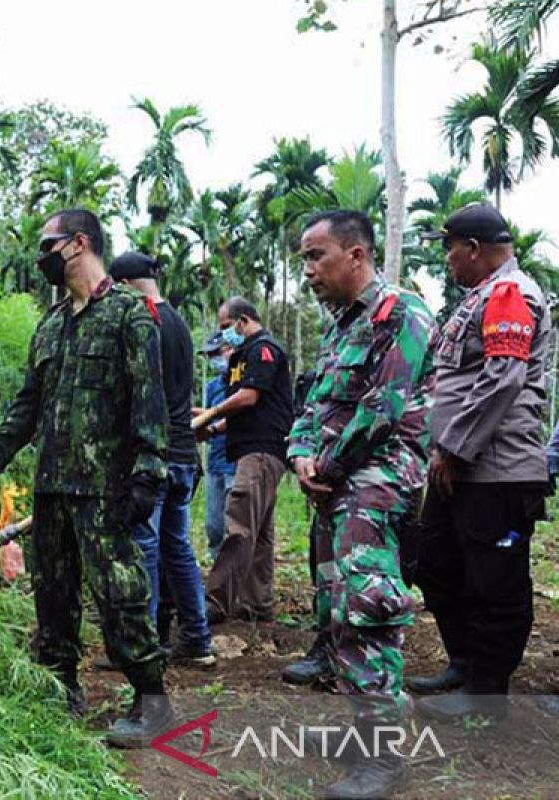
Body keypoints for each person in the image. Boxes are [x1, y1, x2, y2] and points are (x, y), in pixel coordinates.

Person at [0, 209, 174, 748]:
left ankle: (152, 700)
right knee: (52, 597)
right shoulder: (50, 324)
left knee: (119, 595)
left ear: (79, 244)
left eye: (47, 245)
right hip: (52, 487)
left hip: (105, 490)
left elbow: (151, 402)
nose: (42, 258)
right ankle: (61, 689)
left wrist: (149, 474)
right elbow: (27, 407)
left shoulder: (130, 315)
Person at [287, 210, 435, 798]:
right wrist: (302, 453)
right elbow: (314, 402)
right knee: (333, 603)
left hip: (374, 483)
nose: (308, 271)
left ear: (356, 255)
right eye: (303, 259)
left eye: (315, 256)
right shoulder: (340, 324)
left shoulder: (401, 312)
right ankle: (361, 729)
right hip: (335, 482)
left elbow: (385, 407)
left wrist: (328, 463)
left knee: (365, 606)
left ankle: (383, 755)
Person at [410, 204, 551, 723]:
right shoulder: (480, 298)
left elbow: (503, 379)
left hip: (495, 470)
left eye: (449, 248)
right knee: (435, 562)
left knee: (495, 580)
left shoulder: (511, 294)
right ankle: (465, 664)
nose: (446, 259)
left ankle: (488, 690)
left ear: (473, 249)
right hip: (461, 467)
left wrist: (453, 449)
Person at [109, 251, 215, 669]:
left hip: (156, 455)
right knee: (177, 546)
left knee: (146, 547)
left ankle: (144, 645)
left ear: (124, 285)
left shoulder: (143, 322)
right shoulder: (178, 322)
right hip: (185, 453)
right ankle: (199, 639)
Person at [196, 297, 293, 624]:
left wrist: (212, 413)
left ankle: (215, 602)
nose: (224, 336)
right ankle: (255, 602)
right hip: (250, 448)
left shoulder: (263, 349)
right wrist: (213, 427)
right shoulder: (241, 356)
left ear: (243, 320)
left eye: (226, 327)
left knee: (238, 522)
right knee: (259, 529)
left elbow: (250, 398)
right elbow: (242, 409)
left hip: (263, 449)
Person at [199, 332, 236, 562]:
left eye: (217, 353)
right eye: (210, 355)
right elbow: (206, 418)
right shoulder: (212, 387)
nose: (215, 360)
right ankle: (216, 568)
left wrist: (214, 427)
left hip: (236, 462)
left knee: (235, 525)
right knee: (214, 525)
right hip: (215, 461)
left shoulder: (244, 383)